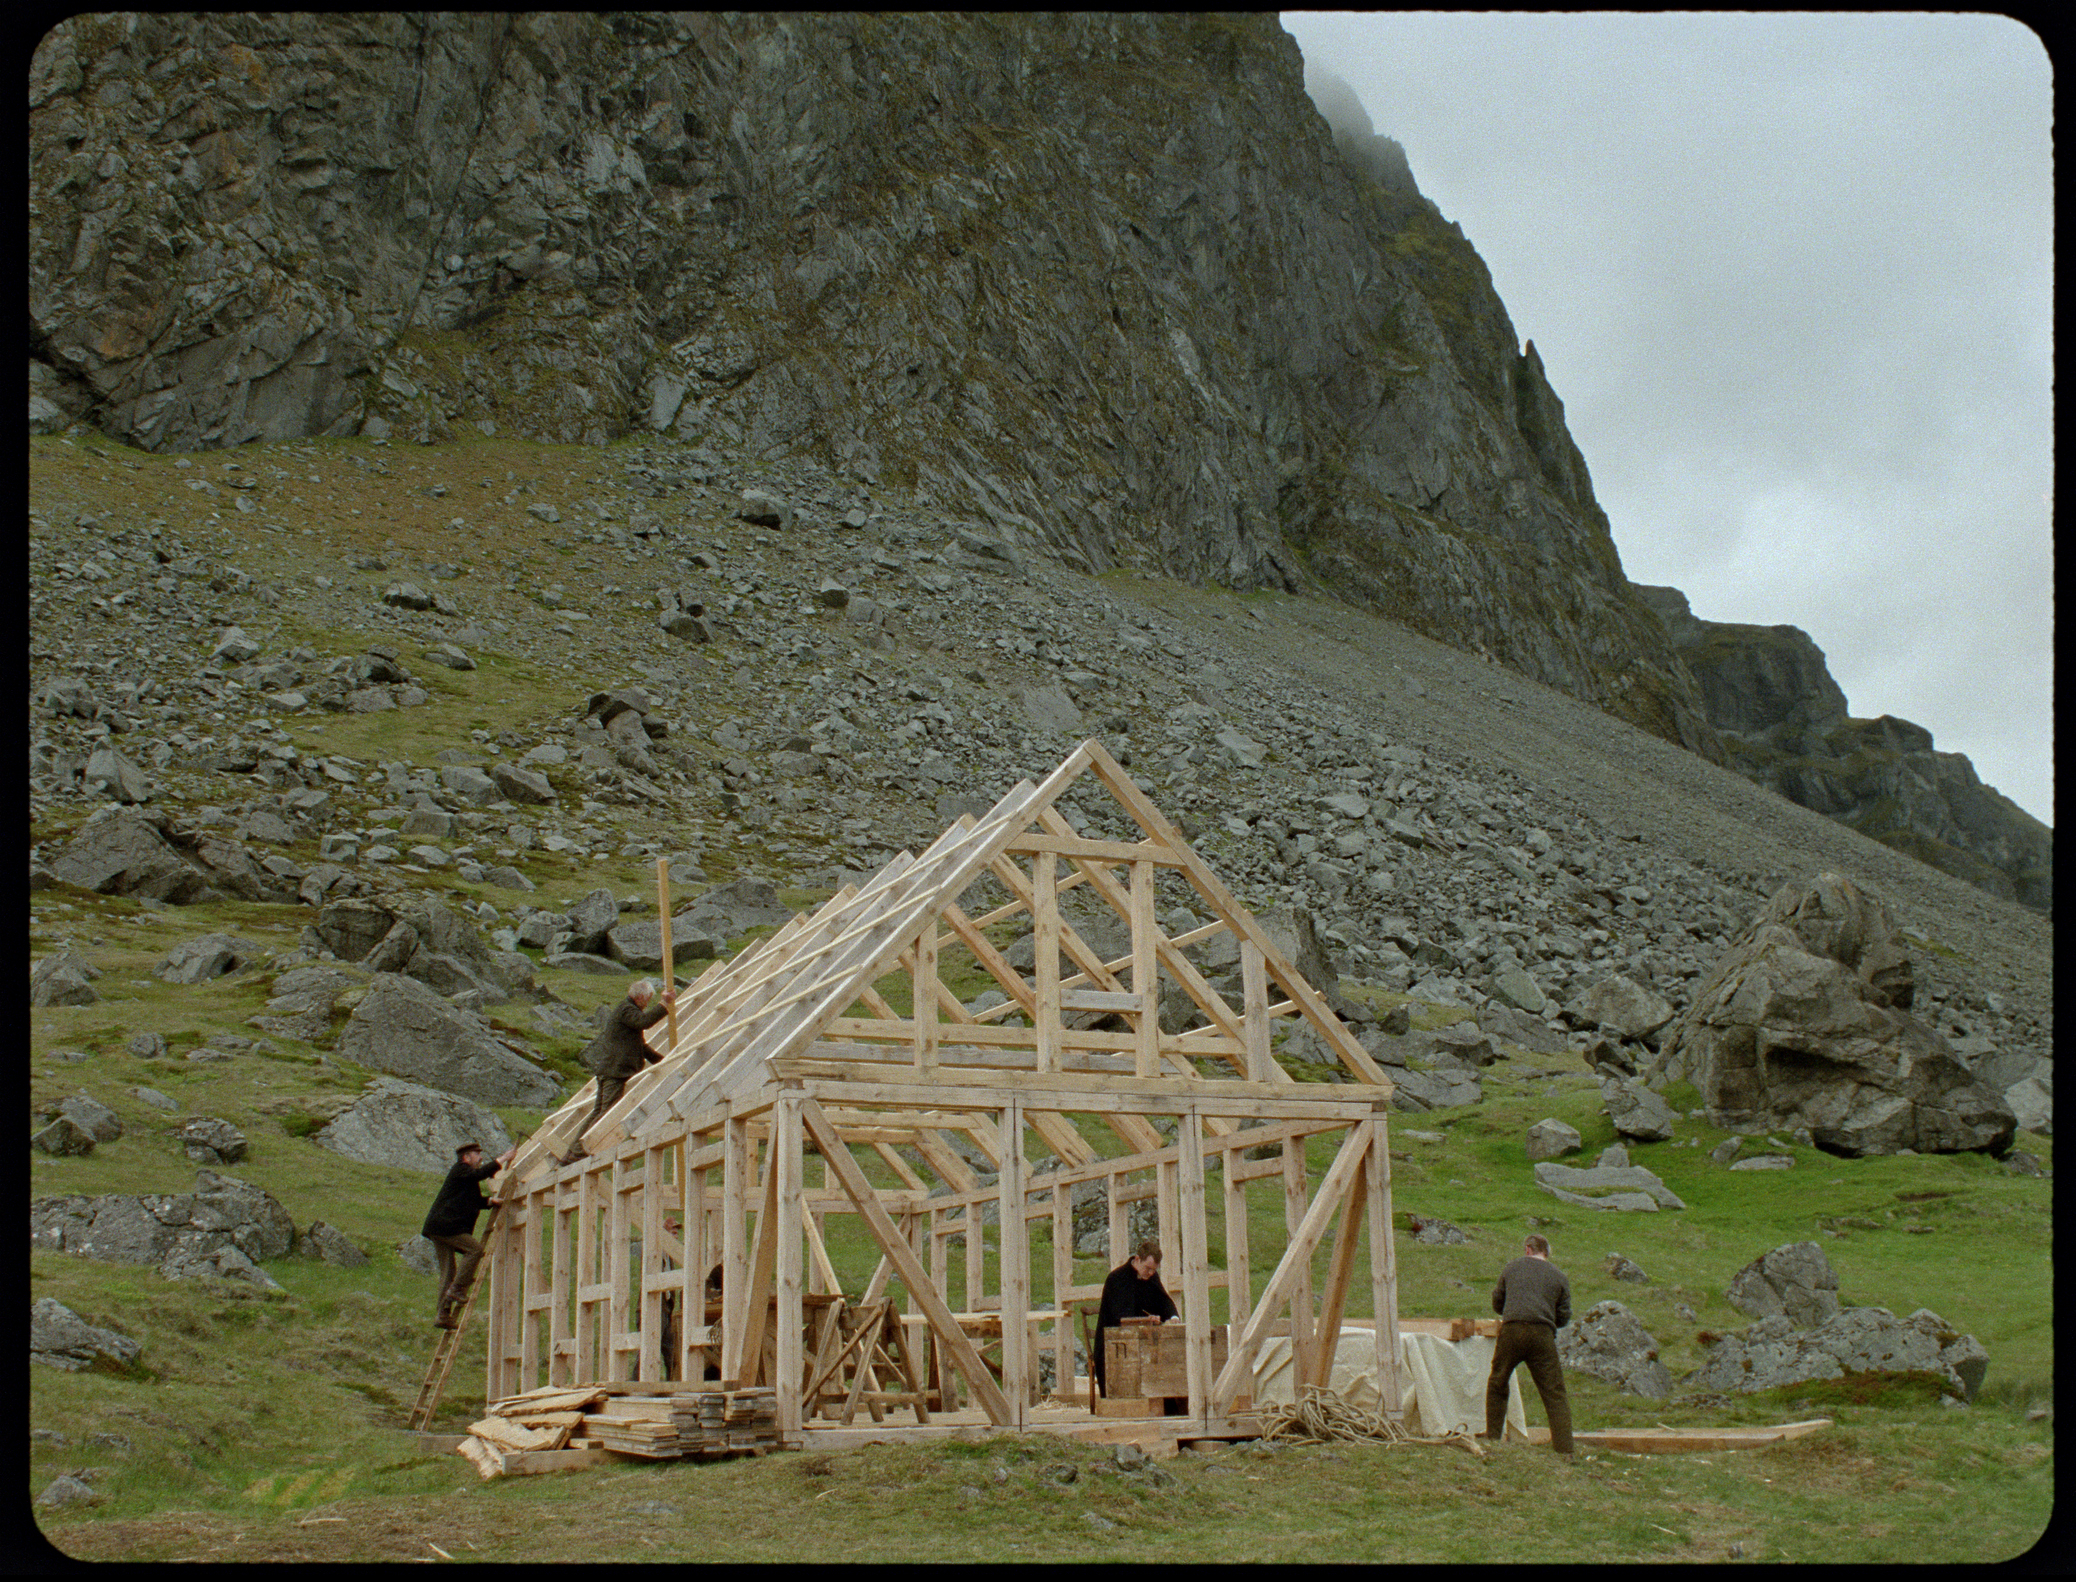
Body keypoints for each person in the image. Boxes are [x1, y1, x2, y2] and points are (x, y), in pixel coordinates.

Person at [559, 976, 676, 1165]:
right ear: (640, 997)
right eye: (648, 999)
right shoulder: (627, 1010)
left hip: (609, 1069)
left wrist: (663, 1061)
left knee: (599, 1111)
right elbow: (644, 1022)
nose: (647, 1004)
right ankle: (579, 1152)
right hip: (615, 1071)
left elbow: (640, 1046)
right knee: (607, 1112)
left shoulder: (626, 1011)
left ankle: (573, 1152)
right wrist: (664, 1004)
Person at [1483, 1233, 1574, 1456]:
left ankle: (1493, 1439)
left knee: (1498, 1382)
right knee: (1554, 1392)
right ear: (1547, 1253)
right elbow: (1563, 1316)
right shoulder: (1559, 1276)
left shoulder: (1511, 1268)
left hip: (1512, 1331)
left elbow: (1497, 1302)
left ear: (1527, 1249)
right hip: (1542, 1335)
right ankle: (1565, 1450)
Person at [423, 1140, 516, 1329]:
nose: (480, 1158)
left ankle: (443, 1314)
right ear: (466, 1158)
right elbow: (479, 1174)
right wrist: (503, 1159)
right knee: (475, 1250)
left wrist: (490, 1201)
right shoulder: (461, 1170)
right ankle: (457, 1289)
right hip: (446, 1226)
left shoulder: (465, 1178)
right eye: (477, 1154)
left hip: (439, 1227)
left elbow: (472, 1200)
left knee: (448, 1272)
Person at [1092, 1239, 1179, 1396]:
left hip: (1141, 1343)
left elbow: (1164, 1301)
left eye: (1154, 1270)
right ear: (1137, 1259)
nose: (1151, 1273)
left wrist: (1172, 1317)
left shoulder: (1151, 1277)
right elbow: (1120, 1317)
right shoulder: (1116, 1278)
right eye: (1148, 1268)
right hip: (1114, 1345)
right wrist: (1146, 1320)